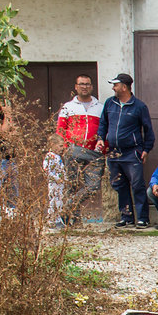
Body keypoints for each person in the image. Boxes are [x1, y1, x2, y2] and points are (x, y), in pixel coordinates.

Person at [96, 72, 154, 227]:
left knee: (137, 185)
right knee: (119, 185)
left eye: (116, 85)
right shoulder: (109, 103)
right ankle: (126, 217)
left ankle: (143, 218)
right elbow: (103, 124)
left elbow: (148, 130)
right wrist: (101, 138)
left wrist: (146, 149)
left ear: (124, 87)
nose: (113, 88)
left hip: (132, 152)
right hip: (113, 152)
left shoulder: (139, 107)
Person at [56, 73, 104, 219]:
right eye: (82, 84)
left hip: (95, 152)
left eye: (87, 84)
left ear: (92, 87)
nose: (85, 87)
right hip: (74, 149)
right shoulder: (68, 107)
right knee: (72, 185)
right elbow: (60, 130)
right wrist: (64, 147)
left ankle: (68, 205)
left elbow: (106, 129)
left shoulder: (100, 107)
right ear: (76, 87)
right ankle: (72, 219)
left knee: (93, 186)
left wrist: (104, 145)